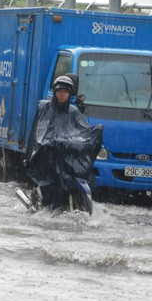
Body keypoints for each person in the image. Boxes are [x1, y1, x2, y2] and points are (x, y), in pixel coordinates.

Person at [25, 75, 102, 209]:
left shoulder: (73, 112)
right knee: (46, 178)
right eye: (59, 91)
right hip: (46, 153)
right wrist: (47, 142)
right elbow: (39, 130)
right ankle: (40, 199)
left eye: (65, 92)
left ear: (69, 94)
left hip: (65, 155)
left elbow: (83, 131)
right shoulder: (44, 108)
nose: (62, 95)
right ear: (54, 92)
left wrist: (93, 136)